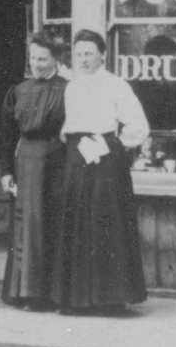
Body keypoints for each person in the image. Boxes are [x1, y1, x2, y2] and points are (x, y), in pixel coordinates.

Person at [51, 29, 150, 314]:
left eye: (89, 53)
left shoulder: (116, 85)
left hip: (105, 161)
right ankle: (77, 300)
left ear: (102, 55)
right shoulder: (72, 87)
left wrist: (111, 145)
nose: (83, 59)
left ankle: (110, 299)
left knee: (106, 225)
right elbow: (68, 124)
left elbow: (138, 125)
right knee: (77, 225)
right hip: (76, 159)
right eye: (79, 54)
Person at [0, 32, 69, 311]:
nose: (37, 64)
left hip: (56, 161)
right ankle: (24, 292)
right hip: (26, 161)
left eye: (43, 59)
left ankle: (49, 295)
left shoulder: (67, 89)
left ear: (56, 59)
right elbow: (7, 135)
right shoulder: (18, 91)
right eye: (33, 58)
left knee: (50, 224)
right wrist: (6, 171)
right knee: (26, 226)